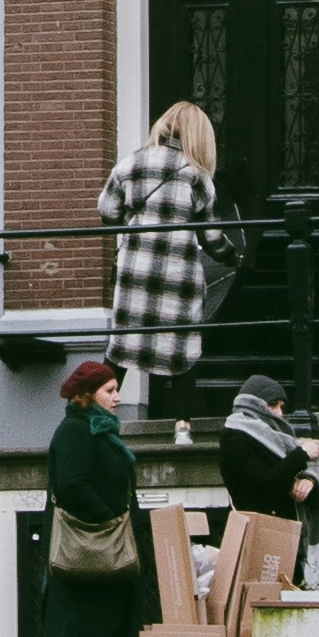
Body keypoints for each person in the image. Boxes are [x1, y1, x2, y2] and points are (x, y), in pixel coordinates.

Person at [27, 353, 153, 637]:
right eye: (110, 390)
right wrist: (109, 521)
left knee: (103, 635)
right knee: (81, 634)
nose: (117, 397)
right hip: (90, 549)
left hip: (104, 551)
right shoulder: (74, 431)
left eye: (117, 390)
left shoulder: (102, 432)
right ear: (87, 395)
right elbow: (72, 487)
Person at [94, 96, 225, 412]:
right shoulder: (196, 175)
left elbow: (106, 210)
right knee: (182, 348)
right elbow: (212, 238)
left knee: (123, 343)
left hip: (135, 268)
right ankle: (182, 426)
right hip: (178, 273)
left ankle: (93, 415)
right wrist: (231, 256)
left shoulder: (130, 163)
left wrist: (133, 222)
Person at [203, 369, 319, 637]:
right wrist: (301, 454)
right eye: (274, 405)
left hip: (285, 533)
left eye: (282, 406)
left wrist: (307, 482)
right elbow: (263, 483)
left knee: (288, 605)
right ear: (255, 404)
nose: (280, 413)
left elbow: (283, 478)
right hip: (259, 536)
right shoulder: (236, 436)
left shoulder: (271, 436)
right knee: (261, 611)